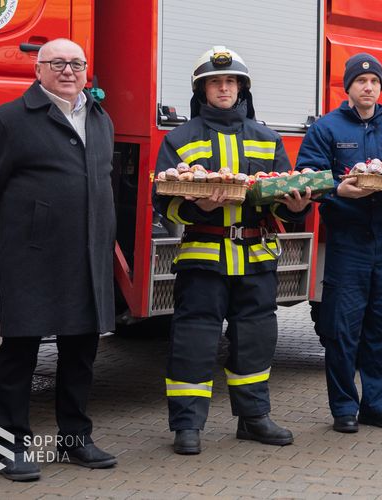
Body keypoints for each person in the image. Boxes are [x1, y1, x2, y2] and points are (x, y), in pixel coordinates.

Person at [0, 38, 118, 482]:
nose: (68, 70)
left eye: (76, 63)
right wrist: (6, 247)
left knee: (80, 352)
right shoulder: (9, 121)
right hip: (31, 258)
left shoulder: (100, 118)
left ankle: (75, 440)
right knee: (19, 354)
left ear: (86, 70)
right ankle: (5, 448)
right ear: (38, 70)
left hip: (88, 256)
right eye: (57, 63)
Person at [152, 46, 312, 455]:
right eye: (215, 82)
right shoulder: (179, 139)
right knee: (194, 339)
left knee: (256, 338)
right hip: (204, 254)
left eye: (230, 82)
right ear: (201, 90)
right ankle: (187, 425)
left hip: (256, 255)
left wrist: (296, 205)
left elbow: (279, 195)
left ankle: (254, 418)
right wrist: (195, 205)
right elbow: (162, 198)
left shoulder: (267, 138)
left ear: (242, 88)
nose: (223, 88)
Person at [299, 53, 382, 434]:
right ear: (349, 87)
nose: (368, 87)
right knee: (342, 329)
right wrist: (336, 191)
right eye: (361, 81)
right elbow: (309, 177)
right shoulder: (326, 129)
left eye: (374, 81)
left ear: (380, 87)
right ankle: (343, 407)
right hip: (348, 242)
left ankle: (377, 405)